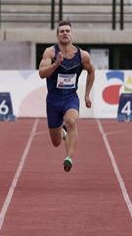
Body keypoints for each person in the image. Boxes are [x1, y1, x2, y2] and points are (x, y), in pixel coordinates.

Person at [39, 20, 95, 172]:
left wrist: (87, 95)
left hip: (70, 97)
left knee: (72, 121)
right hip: (53, 100)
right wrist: (56, 64)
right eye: (62, 31)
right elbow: (41, 74)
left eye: (67, 31)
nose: (65, 33)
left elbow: (91, 72)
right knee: (56, 142)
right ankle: (63, 133)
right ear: (57, 36)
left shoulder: (83, 56)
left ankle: (69, 157)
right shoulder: (50, 52)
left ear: (72, 34)